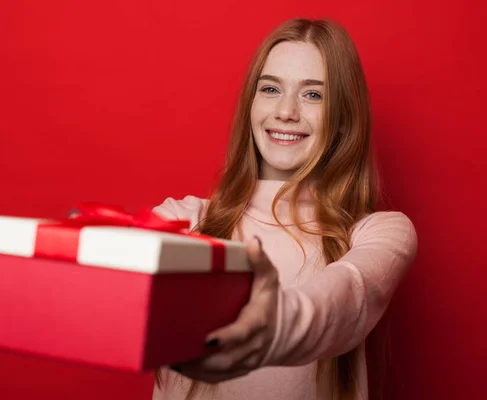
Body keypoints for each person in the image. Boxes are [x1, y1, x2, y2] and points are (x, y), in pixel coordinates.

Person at [150, 18, 418, 400]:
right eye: (271, 89)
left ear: (342, 118)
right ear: (251, 104)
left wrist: (266, 327)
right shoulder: (183, 221)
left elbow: (346, 296)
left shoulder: (380, 233)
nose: (286, 111)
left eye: (313, 95)